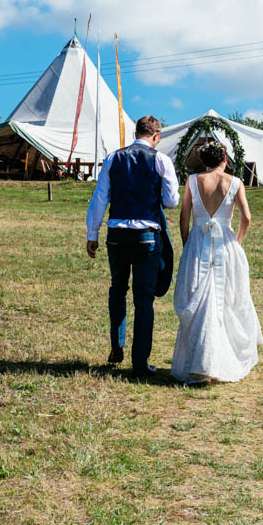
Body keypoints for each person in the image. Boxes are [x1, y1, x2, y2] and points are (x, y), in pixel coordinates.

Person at [86, 116, 179, 378]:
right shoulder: (160, 160)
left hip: (116, 233)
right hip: (146, 235)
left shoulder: (114, 158)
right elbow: (171, 201)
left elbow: (100, 196)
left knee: (117, 288)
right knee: (144, 299)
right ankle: (140, 361)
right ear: (156, 136)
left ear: (136, 132)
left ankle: (117, 345)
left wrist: (92, 233)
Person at [170, 141, 263, 384]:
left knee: (199, 300)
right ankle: (219, 360)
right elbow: (247, 216)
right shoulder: (235, 182)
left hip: (198, 242)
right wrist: (238, 241)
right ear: (224, 159)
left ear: (204, 160)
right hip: (226, 245)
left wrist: (187, 241)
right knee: (227, 300)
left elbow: (184, 214)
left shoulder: (192, 181)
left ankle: (199, 361)